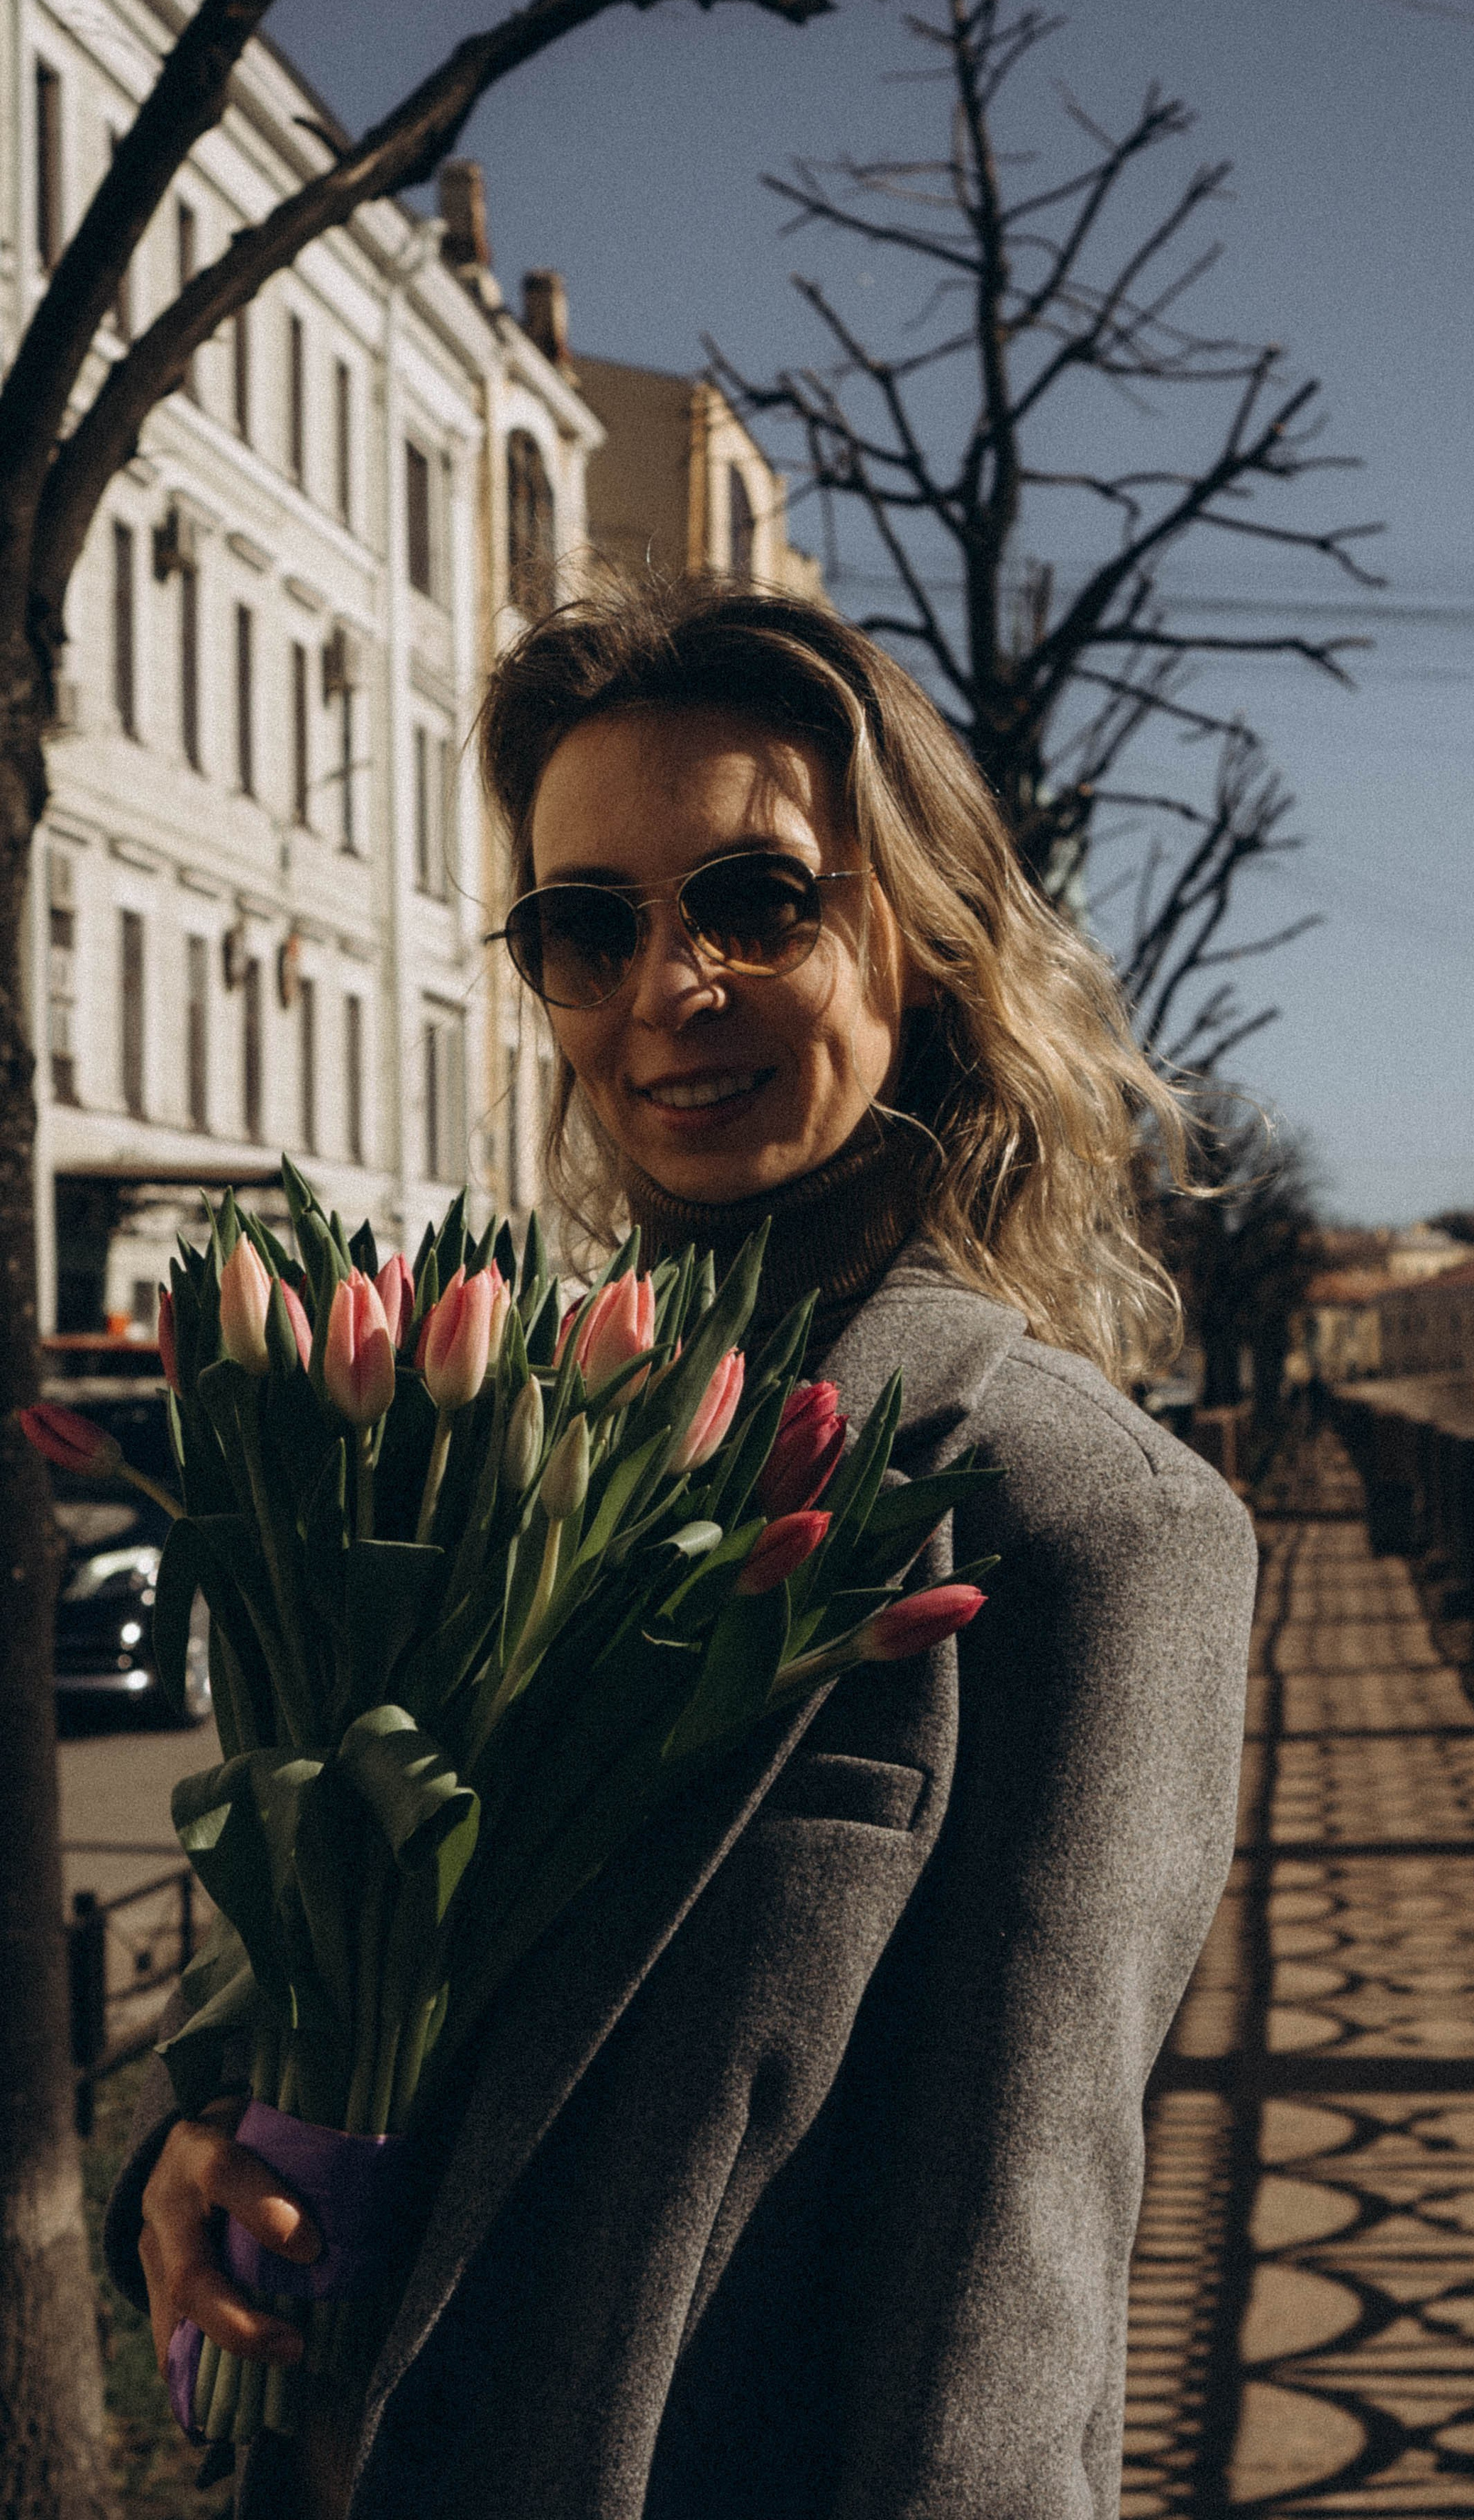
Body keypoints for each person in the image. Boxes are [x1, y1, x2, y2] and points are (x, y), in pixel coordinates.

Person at [108, 579, 1256, 2519]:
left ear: (924, 939)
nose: (670, 986)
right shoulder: (504, 1433)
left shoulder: (1079, 1518)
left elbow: (1004, 2310)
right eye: (590, 926)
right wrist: (186, 2146)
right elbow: (344, 1960)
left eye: (757, 900)